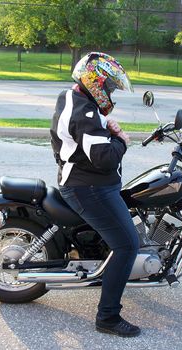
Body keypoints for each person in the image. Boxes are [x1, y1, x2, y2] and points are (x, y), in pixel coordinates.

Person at [50, 52, 141, 337]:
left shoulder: (73, 97)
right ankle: (108, 317)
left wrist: (107, 127)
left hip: (85, 180)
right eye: (110, 87)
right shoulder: (86, 113)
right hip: (88, 187)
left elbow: (92, 141)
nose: (112, 92)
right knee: (127, 245)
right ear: (96, 82)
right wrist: (121, 140)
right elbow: (104, 158)